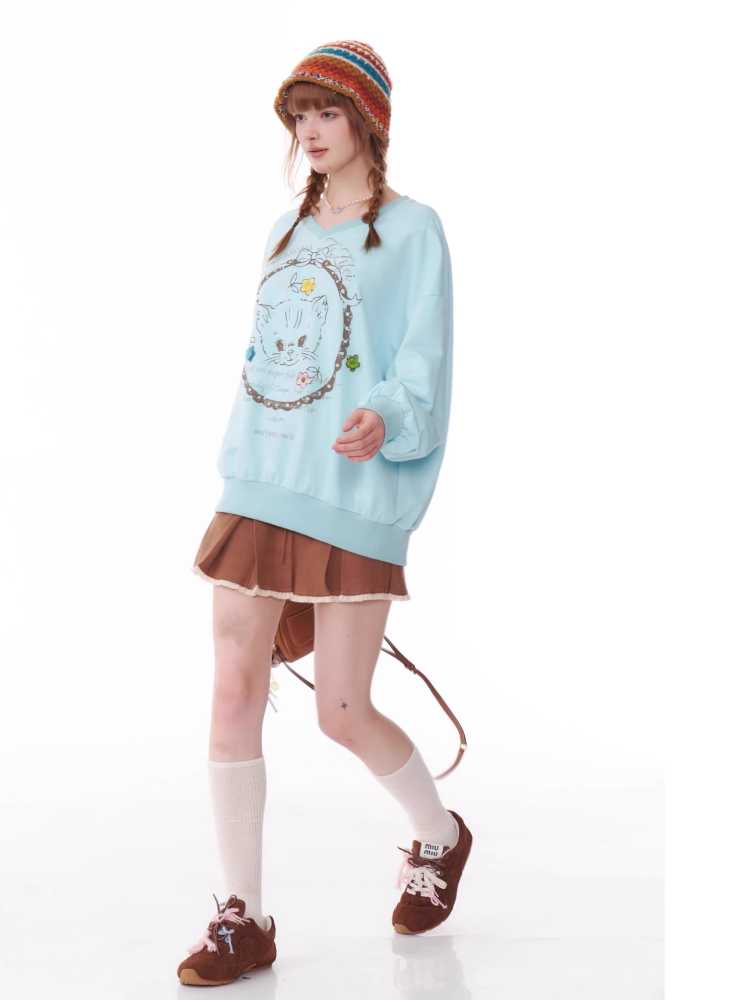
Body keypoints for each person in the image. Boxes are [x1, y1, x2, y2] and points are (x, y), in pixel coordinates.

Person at [177, 40, 473, 987]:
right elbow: (270, 358)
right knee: (233, 688)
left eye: (327, 112)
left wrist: (384, 416)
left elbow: (422, 359)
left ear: (366, 123)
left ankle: (440, 834)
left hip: (352, 488)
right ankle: (243, 916)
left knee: (342, 713)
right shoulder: (285, 230)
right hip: (261, 480)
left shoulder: (414, 229)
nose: (309, 130)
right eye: (298, 114)